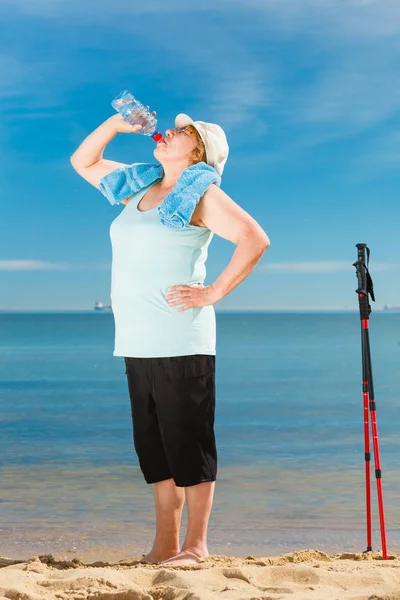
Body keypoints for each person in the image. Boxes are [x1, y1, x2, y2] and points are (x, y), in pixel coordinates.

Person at [70, 105, 270, 566]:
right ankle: (165, 545)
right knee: (155, 451)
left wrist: (214, 291)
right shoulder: (139, 184)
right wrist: (117, 126)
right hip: (137, 341)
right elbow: (83, 162)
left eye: (181, 132)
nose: (169, 132)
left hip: (182, 339)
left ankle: (196, 546)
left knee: (189, 446)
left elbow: (254, 238)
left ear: (197, 150)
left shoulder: (201, 192)